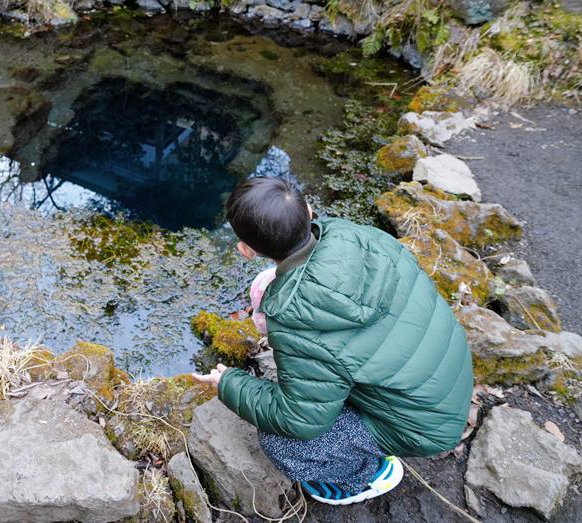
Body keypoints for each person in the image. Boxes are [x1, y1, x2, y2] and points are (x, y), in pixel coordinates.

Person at [192, 176, 473, 506]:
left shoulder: (293, 318)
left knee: (281, 443)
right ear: (309, 211)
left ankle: (365, 476)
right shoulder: (358, 236)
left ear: (246, 250)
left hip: (423, 424)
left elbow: (298, 419)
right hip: (446, 378)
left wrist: (229, 383)